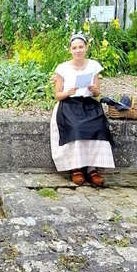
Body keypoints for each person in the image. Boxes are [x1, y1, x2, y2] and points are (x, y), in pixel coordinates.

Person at [50, 33, 114, 186]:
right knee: (76, 127)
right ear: (70, 50)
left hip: (87, 103)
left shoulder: (93, 66)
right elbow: (57, 95)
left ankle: (92, 168)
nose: (78, 50)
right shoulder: (62, 68)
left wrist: (93, 89)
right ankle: (76, 168)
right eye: (74, 48)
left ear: (86, 48)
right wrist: (68, 92)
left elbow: (97, 93)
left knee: (98, 126)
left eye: (81, 47)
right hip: (68, 104)